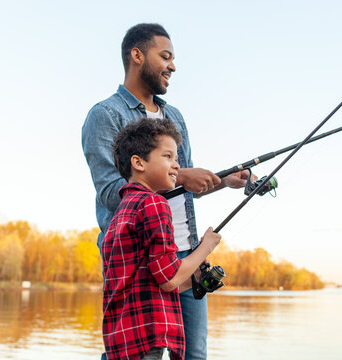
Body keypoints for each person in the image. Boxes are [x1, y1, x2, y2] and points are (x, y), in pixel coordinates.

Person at [82, 23, 249, 359]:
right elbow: (111, 191)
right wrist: (184, 175)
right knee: (132, 350)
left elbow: (179, 185)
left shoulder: (174, 116)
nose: (172, 66)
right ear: (137, 55)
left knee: (193, 354)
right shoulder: (104, 115)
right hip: (137, 259)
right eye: (165, 56)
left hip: (185, 254)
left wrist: (223, 180)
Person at [102, 117, 221, 360]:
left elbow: (147, 279)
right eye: (167, 157)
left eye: (176, 158)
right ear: (138, 163)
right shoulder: (154, 203)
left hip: (122, 339)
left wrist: (193, 277)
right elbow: (168, 279)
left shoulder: (122, 211)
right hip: (148, 338)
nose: (176, 166)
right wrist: (205, 247)